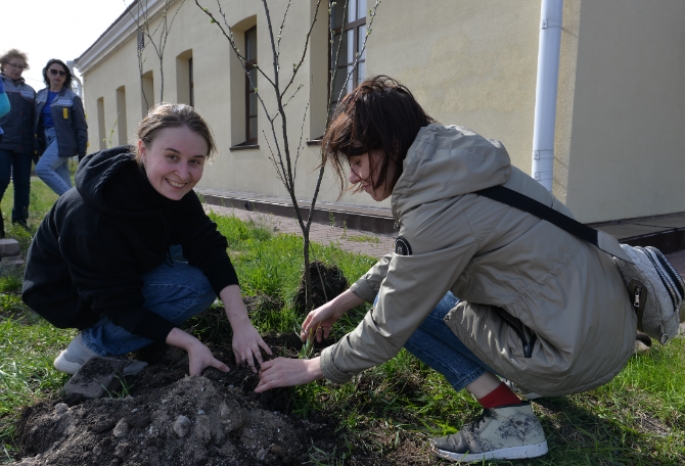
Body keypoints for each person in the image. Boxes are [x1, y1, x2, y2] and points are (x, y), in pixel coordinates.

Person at [255, 76, 637, 462]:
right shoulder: (454, 164)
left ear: (391, 145)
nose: (354, 176)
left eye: (357, 161)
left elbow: (390, 323)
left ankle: (511, 418)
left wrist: (312, 366)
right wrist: (345, 298)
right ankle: (526, 375)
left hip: (572, 352)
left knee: (409, 313)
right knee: (416, 291)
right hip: (598, 327)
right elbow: (416, 258)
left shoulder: (436, 206)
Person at [22, 103, 271, 377]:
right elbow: (119, 304)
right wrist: (190, 343)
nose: (184, 174)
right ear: (142, 150)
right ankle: (89, 348)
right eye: (172, 157)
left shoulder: (169, 187)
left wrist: (242, 325)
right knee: (198, 287)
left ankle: (149, 318)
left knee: (193, 255)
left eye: (195, 161)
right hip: (67, 293)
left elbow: (206, 244)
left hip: (112, 268)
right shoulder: (92, 217)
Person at [34, 58, 88, 196]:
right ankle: (74, 213)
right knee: (64, 181)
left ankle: (72, 202)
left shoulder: (72, 98)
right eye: (54, 72)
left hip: (63, 140)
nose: (57, 75)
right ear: (47, 73)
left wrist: (82, 153)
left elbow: (81, 126)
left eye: (62, 73)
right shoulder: (40, 95)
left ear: (66, 77)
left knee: (43, 169)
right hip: (46, 140)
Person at [0, 49, 36, 237]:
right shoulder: (0, 85)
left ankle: (20, 220)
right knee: (2, 179)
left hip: (24, 144)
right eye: (13, 65)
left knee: (23, 184)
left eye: (21, 67)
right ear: (4, 65)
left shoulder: (29, 91)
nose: (17, 69)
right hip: (2, 142)